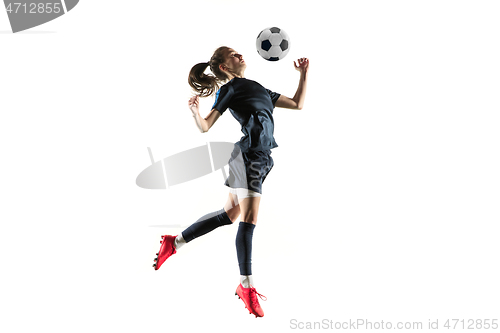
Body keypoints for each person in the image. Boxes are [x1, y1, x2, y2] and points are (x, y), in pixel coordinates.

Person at [153, 46, 309, 318]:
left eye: (238, 52)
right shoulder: (231, 89)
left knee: (229, 215)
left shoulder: (258, 87)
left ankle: (174, 242)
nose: (240, 55)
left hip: (261, 156)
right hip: (247, 156)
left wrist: (303, 74)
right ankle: (246, 285)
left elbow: (297, 104)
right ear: (224, 67)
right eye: (233, 54)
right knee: (249, 219)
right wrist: (195, 112)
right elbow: (205, 126)